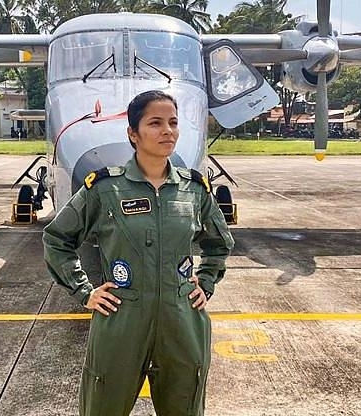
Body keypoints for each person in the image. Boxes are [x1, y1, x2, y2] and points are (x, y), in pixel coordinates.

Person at [42, 90, 234, 416]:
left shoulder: (194, 189)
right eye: (155, 123)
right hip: (122, 319)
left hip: (182, 320)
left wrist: (206, 281)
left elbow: (219, 243)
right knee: (103, 408)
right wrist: (84, 291)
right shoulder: (105, 189)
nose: (168, 131)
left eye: (173, 123)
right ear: (133, 133)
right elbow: (57, 238)